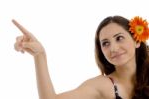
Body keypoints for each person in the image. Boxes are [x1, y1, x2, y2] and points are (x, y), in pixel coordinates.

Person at [13, 15, 149, 99]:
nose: (113, 48)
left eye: (119, 38)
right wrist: (40, 55)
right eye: (105, 43)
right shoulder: (104, 85)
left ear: (137, 41)